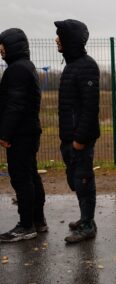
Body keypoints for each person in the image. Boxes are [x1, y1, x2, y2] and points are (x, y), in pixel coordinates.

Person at [54, 19, 100, 243]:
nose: (56, 40)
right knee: (75, 181)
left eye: (59, 36)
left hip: (80, 139)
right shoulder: (71, 66)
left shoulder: (87, 66)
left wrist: (80, 140)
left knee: (83, 180)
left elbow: (90, 108)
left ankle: (88, 224)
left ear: (69, 39)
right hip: (69, 138)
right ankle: (85, 218)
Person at [0, 28, 46, 242]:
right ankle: (38, 221)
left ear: (12, 46)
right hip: (28, 132)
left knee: (22, 179)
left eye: (3, 45)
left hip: (20, 134)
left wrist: (4, 134)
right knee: (31, 176)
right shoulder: (26, 67)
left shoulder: (16, 70)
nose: (0, 50)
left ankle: (26, 225)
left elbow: (14, 105)